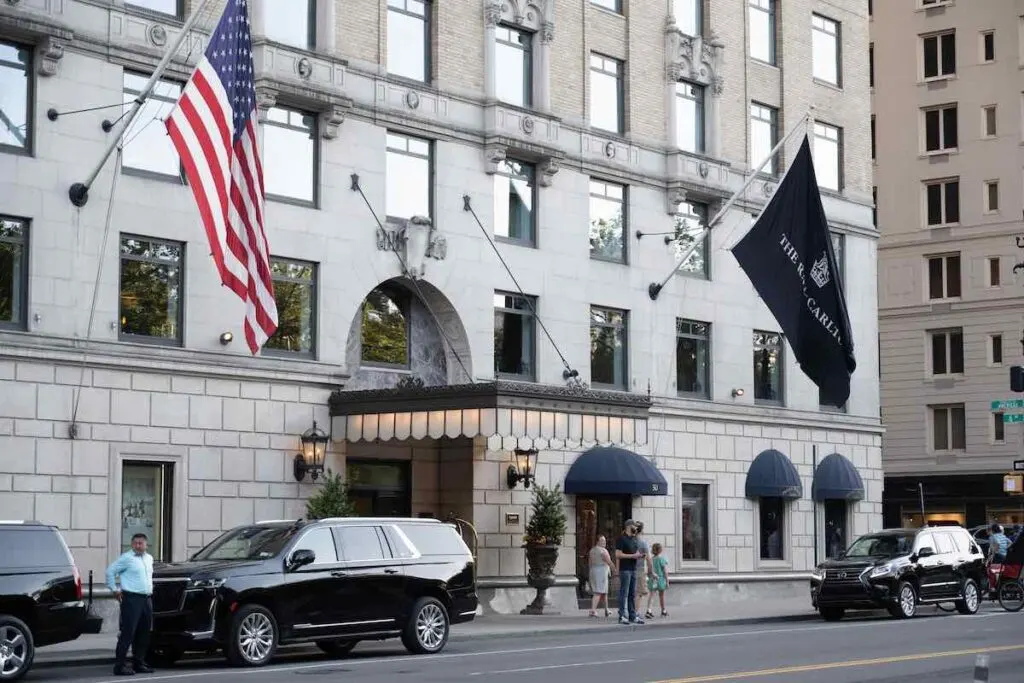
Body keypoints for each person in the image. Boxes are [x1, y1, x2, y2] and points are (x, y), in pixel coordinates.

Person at [106, 533, 154, 676]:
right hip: (132, 599)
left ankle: (139, 662)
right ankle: (119, 666)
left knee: (144, 632)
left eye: (141, 543)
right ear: (132, 544)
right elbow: (110, 571)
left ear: (146, 545)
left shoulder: (149, 558)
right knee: (128, 633)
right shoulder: (127, 558)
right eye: (135, 543)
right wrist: (114, 589)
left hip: (146, 599)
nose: (138, 546)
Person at [614, 520, 644, 625]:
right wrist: (633, 556)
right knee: (624, 593)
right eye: (634, 526)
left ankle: (632, 615)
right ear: (628, 526)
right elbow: (618, 554)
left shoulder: (634, 539)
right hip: (625, 569)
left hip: (633, 568)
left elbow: (634, 553)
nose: (635, 528)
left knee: (632, 593)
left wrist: (639, 555)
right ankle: (622, 615)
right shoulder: (621, 539)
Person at [588, 535, 616, 618]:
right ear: (597, 541)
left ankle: (606, 610)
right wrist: (615, 569)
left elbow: (589, 562)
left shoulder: (592, 550)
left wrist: (590, 572)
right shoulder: (603, 551)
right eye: (602, 540)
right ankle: (593, 610)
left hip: (594, 570)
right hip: (601, 572)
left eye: (605, 540)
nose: (604, 542)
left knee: (604, 592)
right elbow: (609, 561)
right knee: (599, 592)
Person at [644, 542, 670, 618]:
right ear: (660, 550)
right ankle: (663, 610)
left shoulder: (651, 559)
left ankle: (649, 610)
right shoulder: (662, 559)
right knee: (661, 596)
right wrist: (667, 581)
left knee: (651, 595)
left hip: (653, 579)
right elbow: (665, 571)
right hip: (661, 579)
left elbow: (649, 570)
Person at [633, 521, 652, 618]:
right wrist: (650, 571)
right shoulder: (643, 543)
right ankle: (635, 613)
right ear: (642, 530)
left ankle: (628, 612)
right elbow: (649, 559)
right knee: (639, 593)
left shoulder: (629, 540)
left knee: (630, 592)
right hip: (640, 569)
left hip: (628, 569)